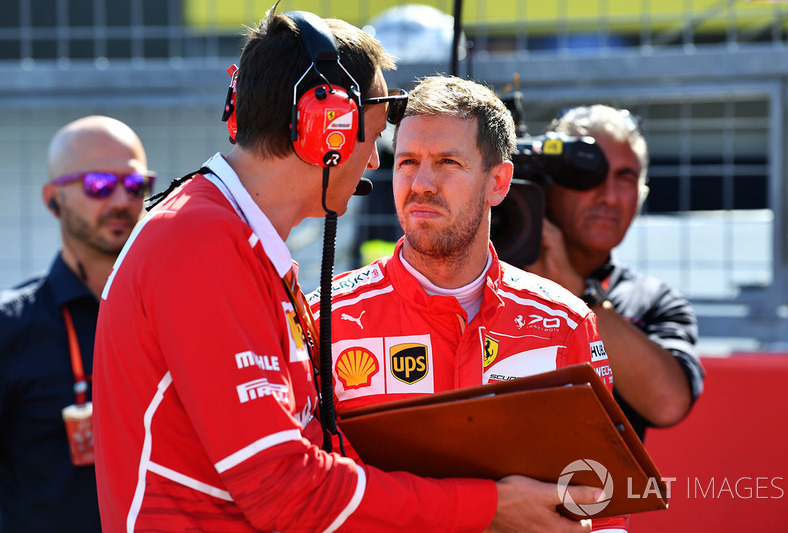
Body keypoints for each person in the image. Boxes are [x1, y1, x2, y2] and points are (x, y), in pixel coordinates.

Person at [92, 7, 604, 533]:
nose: (376, 165)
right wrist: (489, 508)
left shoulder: (231, 241)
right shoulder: (202, 245)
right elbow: (282, 489)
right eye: (376, 139)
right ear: (325, 130)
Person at [309, 76, 626, 532]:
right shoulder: (324, 319)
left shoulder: (565, 324)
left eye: (447, 162)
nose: (420, 184)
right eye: (408, 162)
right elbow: (303, 493)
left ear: (498, 183)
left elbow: (602, 506)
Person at [0, 115, 153, 533]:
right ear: (53, 199)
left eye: (136, 184)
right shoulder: (10, 329)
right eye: (99, 185)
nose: (122, 199)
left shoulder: (177, 314)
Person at [525, 105, 705, 442]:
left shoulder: (654, 300)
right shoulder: (485, 276)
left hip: (596, 494)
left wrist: (574, 294)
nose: (608, 196)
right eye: (588, 174)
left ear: (640, 196)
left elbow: (667, 402)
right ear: (546, 186)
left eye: (625, 178)